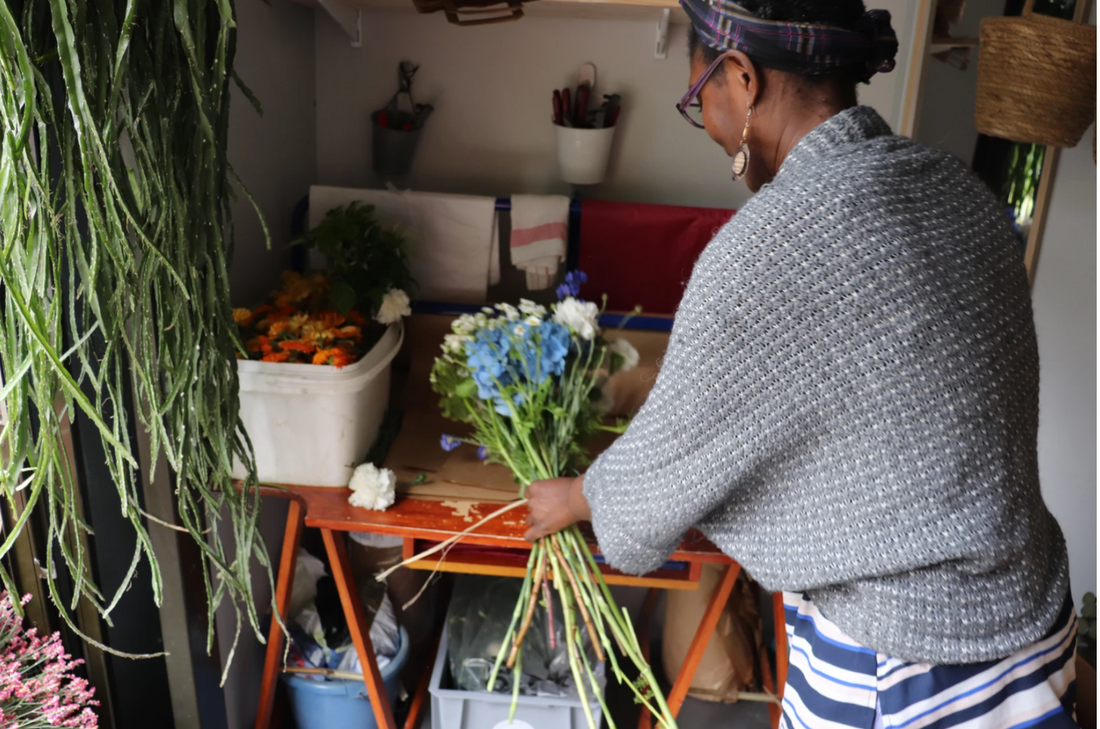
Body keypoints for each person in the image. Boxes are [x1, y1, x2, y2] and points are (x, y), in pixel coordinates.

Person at [523, 1, 1078, 728]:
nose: (713, 130)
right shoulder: (960, 193)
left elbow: (654, 487)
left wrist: (577, 496)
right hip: (1035, 630)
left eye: (703, 102)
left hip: (910, 667)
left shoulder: (766, 250)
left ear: (744, 78)